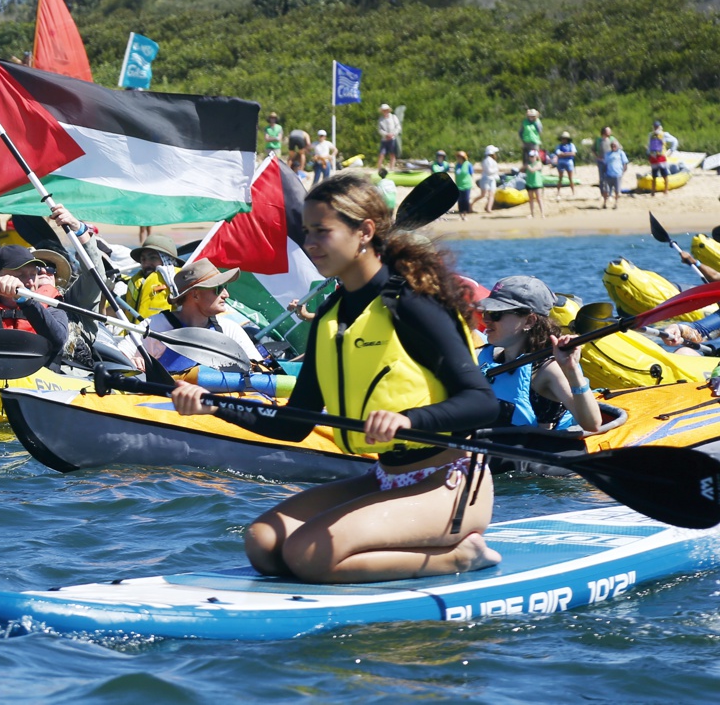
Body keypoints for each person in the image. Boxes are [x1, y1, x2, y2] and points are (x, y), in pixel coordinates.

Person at [170, 173, 500, 584]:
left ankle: (459, 556)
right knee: (263, 542)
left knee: (307, 553)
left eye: (321, 232)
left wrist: (410, 420)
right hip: (384, 476)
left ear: (364, 232)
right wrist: (215, 405)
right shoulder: (331, 316)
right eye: (307, 231)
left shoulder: (413, 304)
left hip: (450, 482)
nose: (309, 243)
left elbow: (483, 402)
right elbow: (295, 425)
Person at [473, 276, 601, 433]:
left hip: (530, 451)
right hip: (488, 449)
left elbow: (592, 424)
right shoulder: (483, 356)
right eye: (486, 312)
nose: (486, 320)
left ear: (529, 321)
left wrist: (572, 371)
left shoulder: (547, 369)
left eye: (496, 314)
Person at [139, 260, 264, 373]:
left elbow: (259, 369)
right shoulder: (154, 326)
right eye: (218, 288)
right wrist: (135, 361)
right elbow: (124, 360)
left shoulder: (229, 329)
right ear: (195, 295)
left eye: (225, 287)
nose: (226, 294)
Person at [125, 235, 181, 319]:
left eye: (153, 258)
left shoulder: (180, 284)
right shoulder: (137, 283)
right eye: (143, 259)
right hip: (135, 331)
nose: (146, 264)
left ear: (167, 260)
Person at [646, 122, 676, 193]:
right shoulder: (650, 135)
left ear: (660, 127)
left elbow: (674, 141)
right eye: (655, 127)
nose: (656, 128)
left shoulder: (664, 135)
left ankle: (666, 190)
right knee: (654, 175)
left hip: (661, 157)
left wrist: (671, 151)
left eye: (657, 127)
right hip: (653, 157)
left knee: (664, 174)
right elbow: (649, 145)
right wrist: (648, 154)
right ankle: (653, 191)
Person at [598, 138, 628, 210]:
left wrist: (622, 172)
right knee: (606, 190)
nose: (613, 147)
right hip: (608, 175)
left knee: (617, 191)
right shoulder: (607, 154)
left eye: (614, 145)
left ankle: (616, 203)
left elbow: (625, 163)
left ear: (617, 146)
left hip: (617, 175)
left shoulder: (621, 153)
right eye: (612, 145)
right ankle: (605, 203)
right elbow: (605, 164)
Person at [376, 104, 401, 170]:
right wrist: (386, 134)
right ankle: (379, 168)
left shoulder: (393, 117)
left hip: (392, 139)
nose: (385, 111)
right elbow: (379, 129)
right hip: (384, 140)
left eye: (386, 110)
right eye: (383, 110)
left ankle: (391, 168)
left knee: (392, 154)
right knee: (381, 154)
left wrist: (393, 134)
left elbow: (398, 127)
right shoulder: (380, 119)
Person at [553, 132, 577, 198]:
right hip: (561, 162)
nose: (564, 140)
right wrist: (568, 154)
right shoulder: (559, 146)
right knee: (560, 178)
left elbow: (573, 154)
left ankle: (573, 192)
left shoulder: (571, 145)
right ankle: (558, 192)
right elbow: (558, 153)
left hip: (568, 162)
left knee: (570, 178)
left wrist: (563, 154)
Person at [477, 145, 501, 214]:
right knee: (483, 194)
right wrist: (496, 170)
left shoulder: (491, 160)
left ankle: (489, 208)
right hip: (486, 179)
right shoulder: (487, 160)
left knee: (491, 194)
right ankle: (471, 204)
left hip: (492, 179)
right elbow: (489, 171)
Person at [452, 151, 474, 219]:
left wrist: (472, 183)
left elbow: (471, 174)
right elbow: (455, 175)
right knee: (460, 200)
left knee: (466, 200)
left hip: (466, 185)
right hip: (459, 185)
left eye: (460, 157)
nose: (458, 158)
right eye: (458, 157)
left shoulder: (468, 164)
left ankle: (465, 214)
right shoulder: (456, 165)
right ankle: (461, 214)